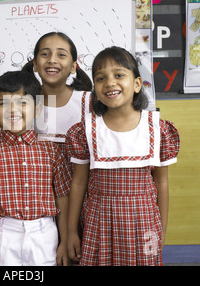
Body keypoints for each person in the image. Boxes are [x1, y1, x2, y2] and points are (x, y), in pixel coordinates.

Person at [65, 46, 180, 266]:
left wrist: (161, 231)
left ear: (137, 84)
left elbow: (162, 183)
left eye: (119, 75)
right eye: (100, 78)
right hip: (99, 222)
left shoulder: (158, 129)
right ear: (95, 89)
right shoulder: (85, 130)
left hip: (144, 223)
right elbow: (78, 183)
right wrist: (71, 231)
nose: (109, 82)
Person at [0, 70, 71, 266]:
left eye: (22, 103)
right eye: (3, 104)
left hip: (44, 233)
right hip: (3, 233)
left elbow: (63, 199)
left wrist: (64, 241)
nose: (12, 110)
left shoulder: (52, 151)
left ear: (38, 109)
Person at [23, 31, 93, 146]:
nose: (52, 60)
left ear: (73, 67)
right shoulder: (22, 101)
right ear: (35, 64)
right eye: (45, 54)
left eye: (61, 55)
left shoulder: (89, 102)